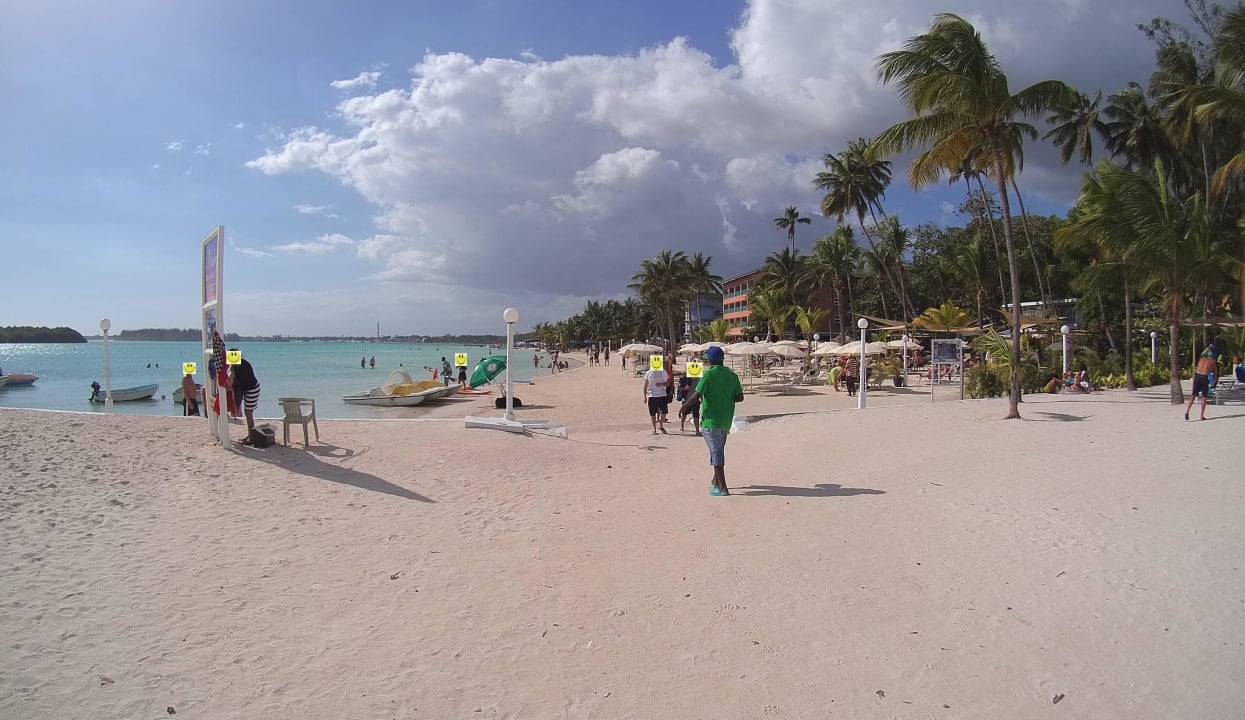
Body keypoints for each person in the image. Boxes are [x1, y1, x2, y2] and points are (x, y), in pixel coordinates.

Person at [679, 346, 744, 497]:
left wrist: (684, 406)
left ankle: (722, 487)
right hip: (726, 420)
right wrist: (726, 398)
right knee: (718, 450)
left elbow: (696, 395)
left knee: (716, 453)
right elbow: (740, 397)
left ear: (709, 360)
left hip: (711, 420)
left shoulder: (708, 374)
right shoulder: (732, 376)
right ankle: (716, 481)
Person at [228, 349, 261, 441]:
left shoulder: (243, 366)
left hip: (252, 389)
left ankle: (251, 437)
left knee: (248, 413)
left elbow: (241, 385)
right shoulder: (236, 367)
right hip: (249, 388)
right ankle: (251, 435)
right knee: (248, 413)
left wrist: (231, 388)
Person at [1185, 346, 1219, 421]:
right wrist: (1213, 384)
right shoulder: (1213, 362)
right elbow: (1215, 376)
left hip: (1197, 376)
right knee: (1204, 397)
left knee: (1193, 395)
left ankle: (1187, 411)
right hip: (1204, 377)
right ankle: (1201, 416)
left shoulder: (1201, 359)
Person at [642, 358, 671, 435]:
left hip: (662, 394)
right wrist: (644, 396)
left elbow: (668, 382)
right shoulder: (648, 372)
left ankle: (661, 425)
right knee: (652, 413)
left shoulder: (663, 371)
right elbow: (645, 385)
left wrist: (662, 384)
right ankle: (654, 428)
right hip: (652, 395)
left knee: (664, 412)